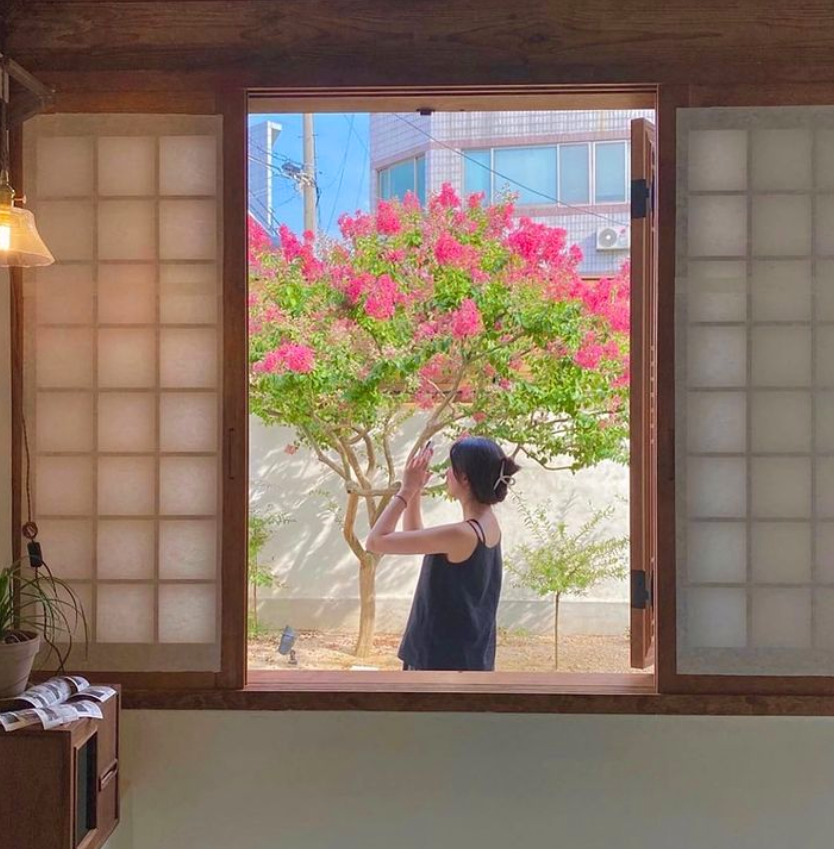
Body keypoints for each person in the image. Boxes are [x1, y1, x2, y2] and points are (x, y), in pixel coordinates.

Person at [365, 436, 520, 671]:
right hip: (467, 658)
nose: (446, 473)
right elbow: (414, 535)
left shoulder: (462, 534)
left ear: (465, 478)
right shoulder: (486, 523)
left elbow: (375, 541)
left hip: (438, 663)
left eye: (451, 467)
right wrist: (416, 492)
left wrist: (406, 491)